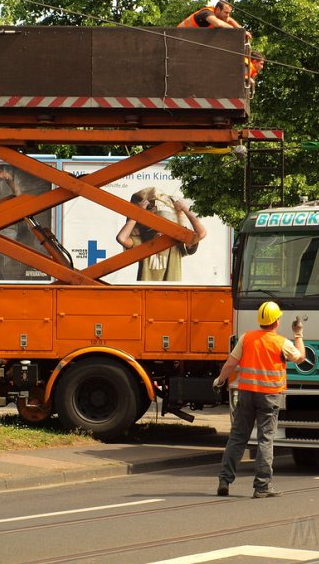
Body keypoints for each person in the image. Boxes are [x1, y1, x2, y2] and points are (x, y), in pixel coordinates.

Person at [212, 302, 306, 498]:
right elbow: (301, 358)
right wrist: (298, 334)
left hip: (246, 394)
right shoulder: (282, 343)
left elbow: (231, 363)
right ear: (277, 321)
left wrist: (220, 380)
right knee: (265, 439)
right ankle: (262, 486)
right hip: (269, 397)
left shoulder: (247, 338)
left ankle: (224, 480)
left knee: (237, 438)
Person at [115, 188, 207, 282]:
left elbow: (201, 233)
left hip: (170, 293)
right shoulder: (144, 243)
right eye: (157, 227)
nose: (160, 232)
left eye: (166, 227)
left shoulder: (177, 244)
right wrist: (138, 213)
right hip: (146, 293)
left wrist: (184, 209)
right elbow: (121, 238)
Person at [178, 1, 252, 40]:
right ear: (218, 10)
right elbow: (218, 24)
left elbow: (229, 20)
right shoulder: (206, 13)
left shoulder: (219, 15)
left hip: (190, 38)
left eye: (229, 13)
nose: (228, 15)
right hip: (178, 36)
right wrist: (236, 31)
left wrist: (242, 30)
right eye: (226, 12)